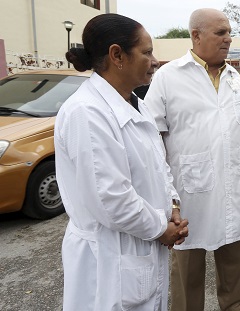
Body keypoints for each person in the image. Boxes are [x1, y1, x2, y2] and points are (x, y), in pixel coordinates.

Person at [55, 13, 189, 311]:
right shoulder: (87, 112)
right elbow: (110, 199)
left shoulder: (135, 105)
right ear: (117, 55)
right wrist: (161, 227)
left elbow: (158, 164)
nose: (155, 61)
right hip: (108, 257)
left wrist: (173, 206)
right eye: (147, 52)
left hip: (139, 246)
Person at [144, 8, 240, 311]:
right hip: (187, 196)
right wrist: (162, 191)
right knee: (187, 279)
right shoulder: (168, 77)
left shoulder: (235, 77)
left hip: (232, 192)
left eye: (228, 32)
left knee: (236, 275)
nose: (228, 38)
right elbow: (152, 135)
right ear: (196, 36)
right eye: (220, 32)